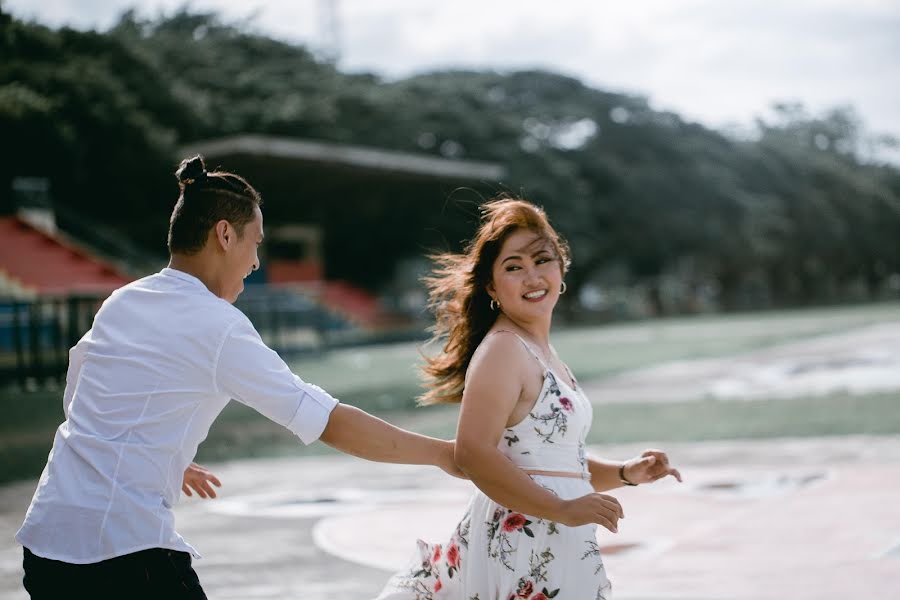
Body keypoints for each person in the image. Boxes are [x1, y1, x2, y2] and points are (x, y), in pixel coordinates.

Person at [15, 155, 460, 600]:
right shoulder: (218, 324)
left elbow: (82, 393)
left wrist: (154, 448)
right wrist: (445, 454)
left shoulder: (123, 300)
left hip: (47, 545)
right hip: (119, 554)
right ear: (225, 235)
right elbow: (324, 419)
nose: (255, 260)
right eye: (255, 242)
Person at [375, 198, 682, 600]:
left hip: (556, 537)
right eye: (514, 267)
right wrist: (562, 510)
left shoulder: (540, 352)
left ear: (562, 268)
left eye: (542, 260)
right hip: (524, 543)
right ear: (492, 287)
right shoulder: (502, 349)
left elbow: (550, 462)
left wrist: (626, 472)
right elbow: (473, 453)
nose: (532, 276)